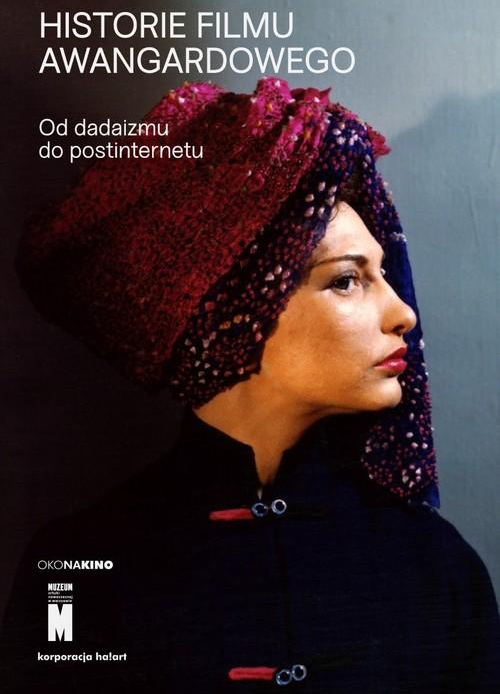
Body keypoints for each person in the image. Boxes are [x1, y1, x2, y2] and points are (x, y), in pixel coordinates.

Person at [3, 78, 499, 693]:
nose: (403, 314)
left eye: (383, 274)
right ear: (234, 314)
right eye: (346, 280)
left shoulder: (437, 570)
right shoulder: (73, 575)